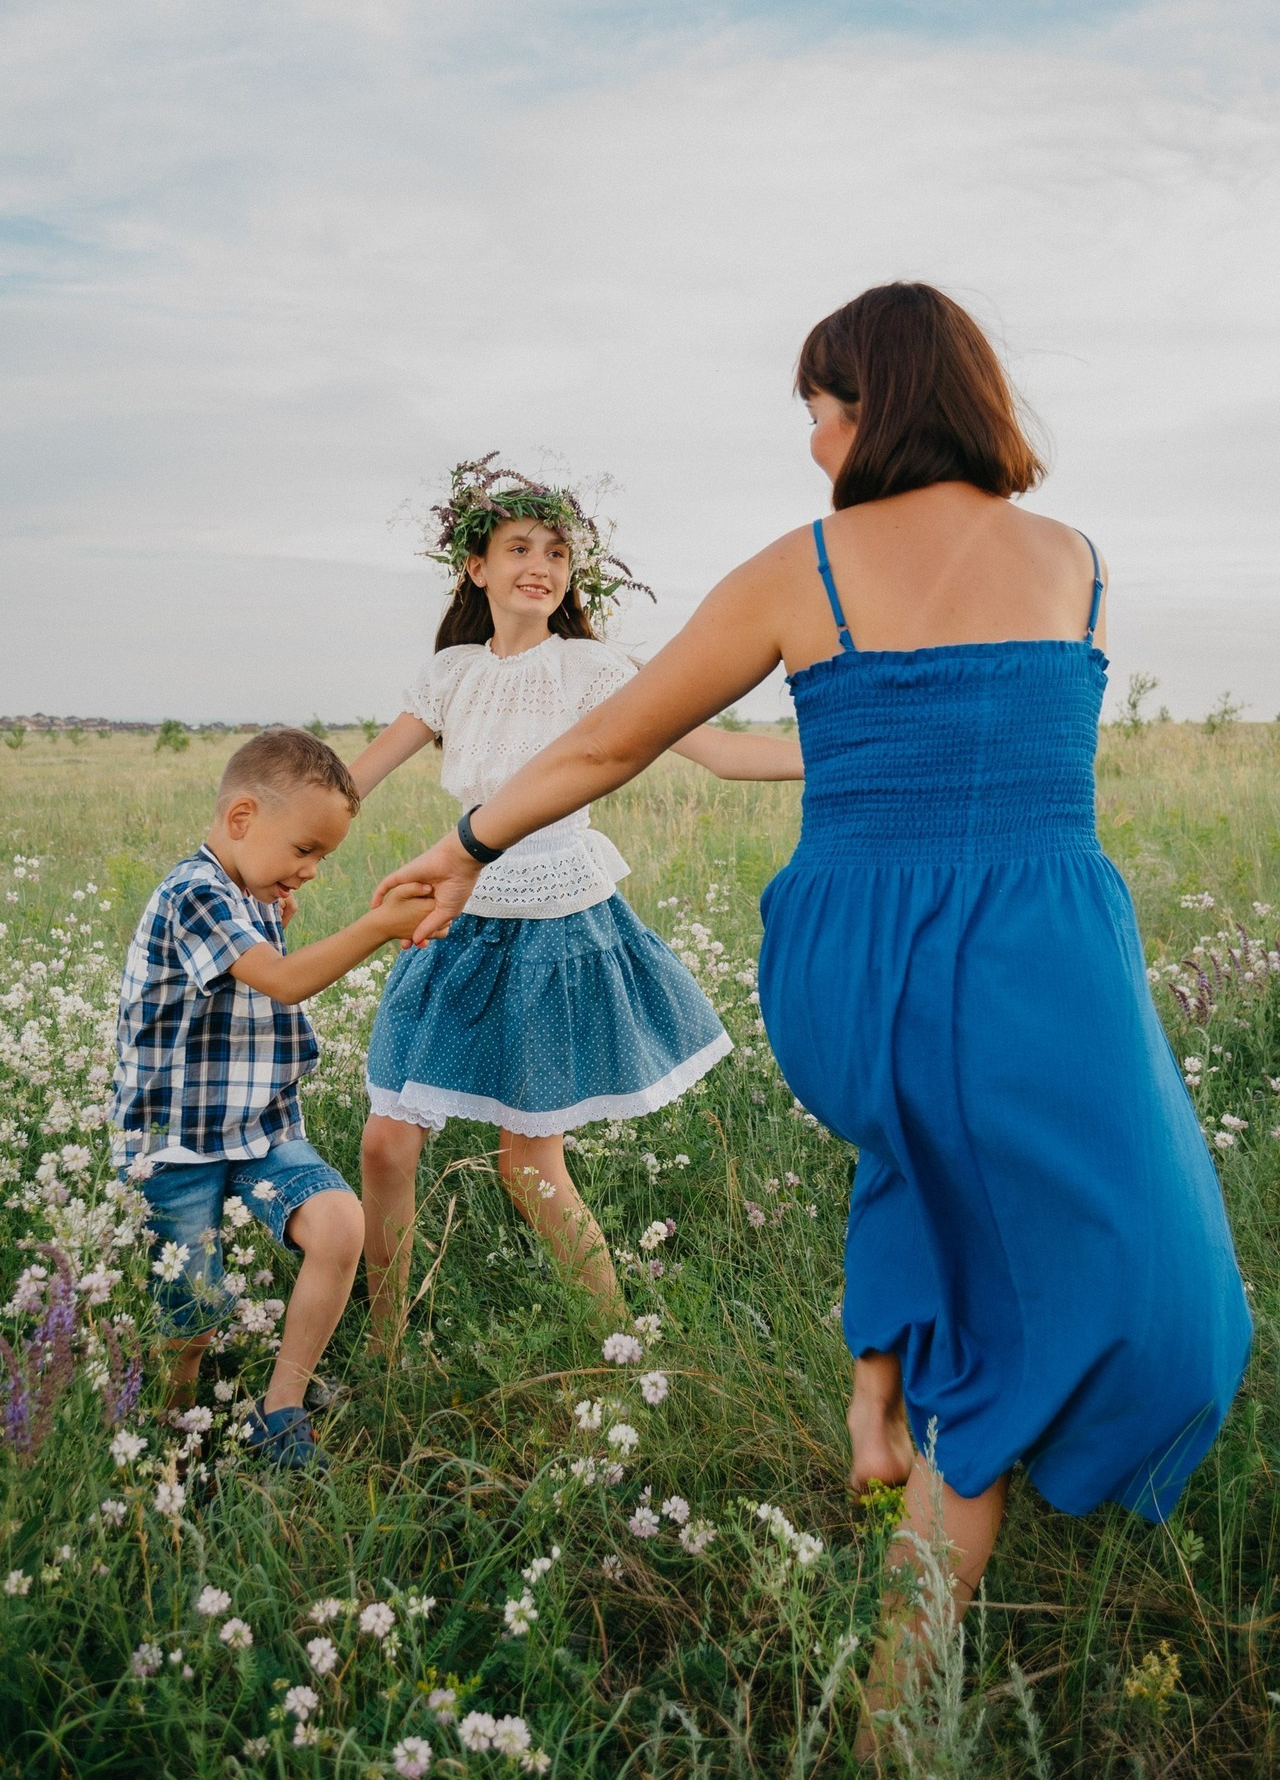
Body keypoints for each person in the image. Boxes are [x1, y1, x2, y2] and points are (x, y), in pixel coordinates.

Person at [366, 289, 1252, 1746]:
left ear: (874, 405)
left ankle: (880, 1414)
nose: (815, 443)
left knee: (930, 1158)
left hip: (873, 957)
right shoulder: (1074, 563)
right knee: (1121, 1284)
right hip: (1051, 951)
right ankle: (900, 1682)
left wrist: (466, 845)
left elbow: (612, 738)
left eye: (820, 412)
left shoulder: (808, 568)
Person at [350, 455, 803, 1348]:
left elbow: (715, 750)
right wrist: (256, 854)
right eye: (519, 547)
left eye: (558, 552)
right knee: (385, 1143)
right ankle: (384, 1342)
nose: (542, 566)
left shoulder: (590, 667)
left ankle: (616, 1341)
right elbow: (348, 781)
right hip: (455, 914)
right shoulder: (448, 673)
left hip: (557, 920)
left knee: (530, 1163)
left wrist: (853, 753)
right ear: (475, 568)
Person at [111, 727, 432, 1469]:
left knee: (341, 1225)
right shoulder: (194, 893)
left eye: (323, 857)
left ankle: (279, 1408)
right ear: (242, 819)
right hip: (177, 1140)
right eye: (305, 850)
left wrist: (278, 906)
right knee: (191, 1315)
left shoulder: (251, 891)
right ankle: (174, 1425)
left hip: (260, 1127)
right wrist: (379, 927)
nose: (313, 870)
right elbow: (283, 984)